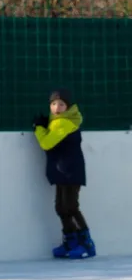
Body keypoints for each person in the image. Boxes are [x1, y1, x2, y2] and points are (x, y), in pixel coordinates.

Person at [34, 89, 95, 259]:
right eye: (53, 104)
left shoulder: (65, 123)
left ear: (68, 107)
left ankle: (86, 243)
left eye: (61, 104)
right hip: (62, 170)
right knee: (61, 207)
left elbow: (46, 143)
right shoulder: (57, 122)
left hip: (70, 170)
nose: (57, 107)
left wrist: (39, 128)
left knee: (70, 206)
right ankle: (71, 241)